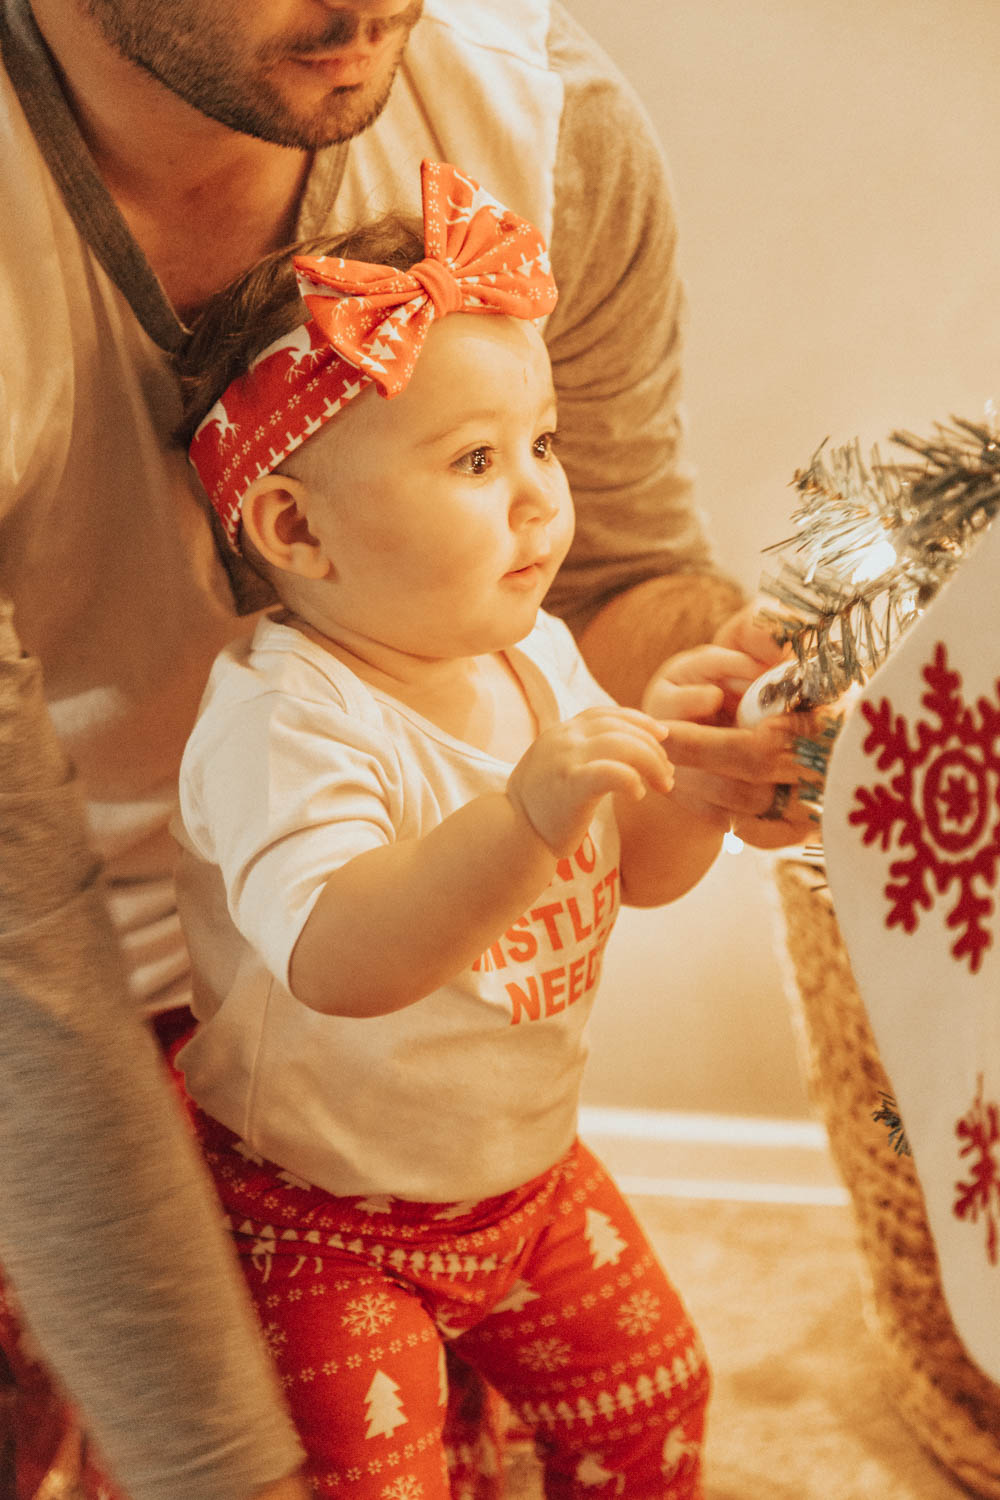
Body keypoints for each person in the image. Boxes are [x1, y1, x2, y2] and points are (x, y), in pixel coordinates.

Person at [0, 0, 814, 1493]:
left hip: (505, 1171)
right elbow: (316, 956)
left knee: (649, 1390)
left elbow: (634, 819)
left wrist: (702, 762)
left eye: (539, 448)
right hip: (294, 1185)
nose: (540, 498)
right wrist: (529, 815)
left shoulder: (530, 650)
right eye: (479, 461)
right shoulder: (284, 717)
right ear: (296, 529)